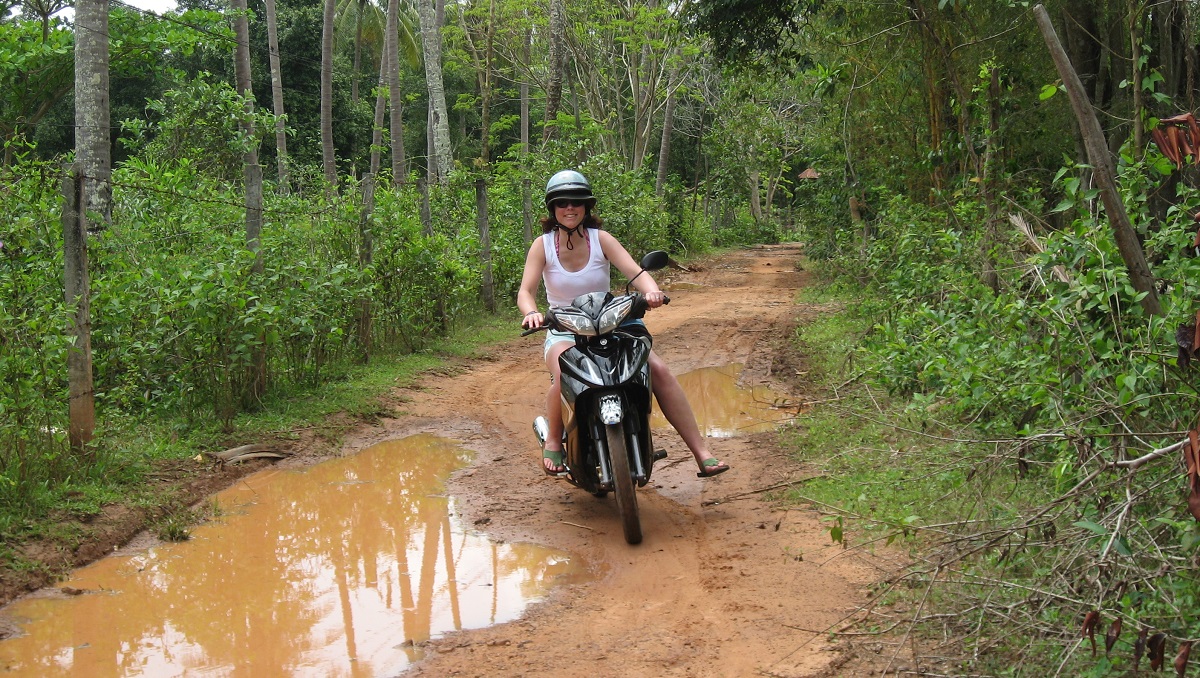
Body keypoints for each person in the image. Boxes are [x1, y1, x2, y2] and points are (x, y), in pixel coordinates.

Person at [516, 169, 730, 479]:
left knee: (657, 370)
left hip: (609, 322)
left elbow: (636, 272)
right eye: (562, 203)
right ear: (553, 209)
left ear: (587, 206)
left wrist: (651, 291)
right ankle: (553, 439)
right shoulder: (543, 245)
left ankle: (702, 452)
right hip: (564, 327)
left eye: (577, 202)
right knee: (563, 372)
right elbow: (526, 291)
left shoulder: (600, 239)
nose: (570, 209)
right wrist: (531, 312)